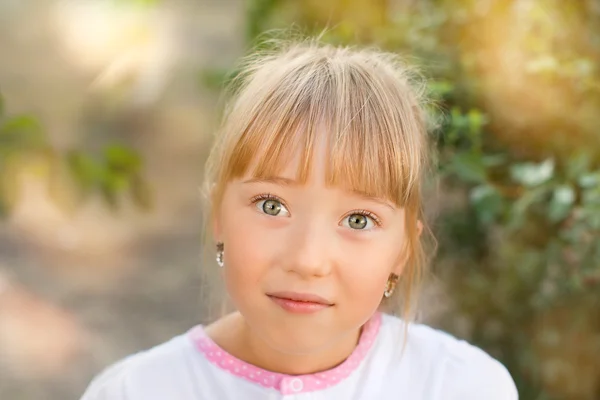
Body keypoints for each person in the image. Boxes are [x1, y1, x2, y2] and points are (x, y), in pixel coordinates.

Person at [80, 36, 518, 399]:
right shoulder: (133, 392)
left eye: (359, 220)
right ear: (218, 217)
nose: (308, 260)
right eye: (272, 206)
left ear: (402, 249)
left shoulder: (465, 386)